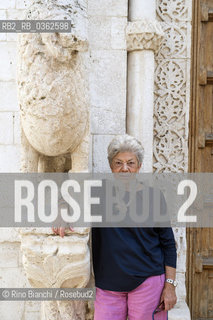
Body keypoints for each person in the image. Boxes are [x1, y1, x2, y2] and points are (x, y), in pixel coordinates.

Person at [53, 134, 177, 320]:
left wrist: (170, 286)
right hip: (108, 286)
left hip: (148, 283)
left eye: (130, 163)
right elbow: (69, 195)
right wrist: (62, 210)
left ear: (139, 166)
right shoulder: (98, 193)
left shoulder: (154, 197)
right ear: (111, 166)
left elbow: (168, 244)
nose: (124, 169)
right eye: (118, 163)